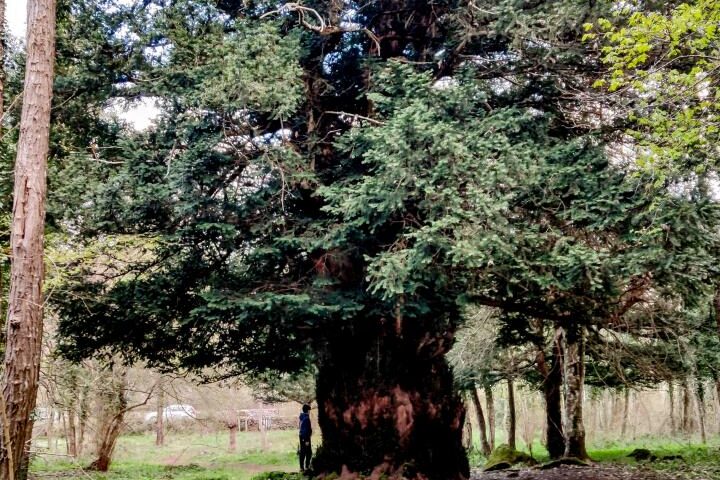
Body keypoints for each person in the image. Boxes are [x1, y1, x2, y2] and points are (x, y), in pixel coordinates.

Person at [298, 404, 312, 472]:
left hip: (301, 436)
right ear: (308, 410)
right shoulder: (306, 418)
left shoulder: (301, 417)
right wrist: (306, 440)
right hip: (305, 437)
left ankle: (301, 467)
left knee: (302, 451)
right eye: (309, 410)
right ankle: (306, 467)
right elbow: (306, 429)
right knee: (308, 452)